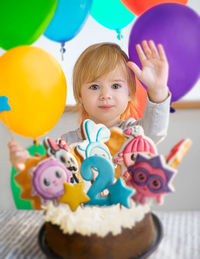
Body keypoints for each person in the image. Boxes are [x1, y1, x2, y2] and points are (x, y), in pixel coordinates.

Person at [8, 40, 170, 172]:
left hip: (128, 211)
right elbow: (49, 174)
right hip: (83, 212)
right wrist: (25, 164)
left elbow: (155, 130)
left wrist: (158, 90)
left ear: (130, 93)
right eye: (94, 87)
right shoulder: (68, 142)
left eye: (115, 86)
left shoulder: (135, 134)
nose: (105, 95)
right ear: (79, 95)